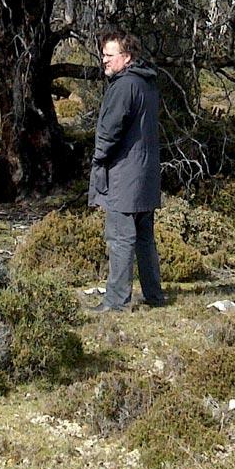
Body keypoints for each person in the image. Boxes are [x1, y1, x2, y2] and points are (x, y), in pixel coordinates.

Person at [87, 29, 165, 311]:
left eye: (109, 55)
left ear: (127, 57)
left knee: (120, 238)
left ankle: (116, 301)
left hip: (124, 175)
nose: (104, 60)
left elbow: (109, 132)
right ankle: (154, 295)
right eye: (103, 55)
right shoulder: (147, 83)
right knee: (144, 238)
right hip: (145, 175)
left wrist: (98, 159)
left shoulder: (123, 86)